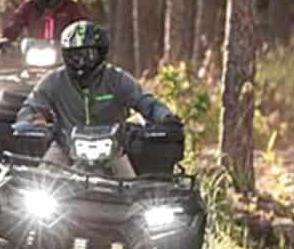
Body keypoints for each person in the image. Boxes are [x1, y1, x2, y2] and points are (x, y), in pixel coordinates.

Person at [16, 20, 177, 178]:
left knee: (136, 195)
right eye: (73, 55)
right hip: (65, 150)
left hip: (114, 153)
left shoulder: (117, 79)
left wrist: (165, 117)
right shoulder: (54, 80)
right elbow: (31, 106)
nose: (80, 61)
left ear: (101, 53)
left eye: (87, 54)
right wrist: (32, 123)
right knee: (38, 185)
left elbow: (146, 102)